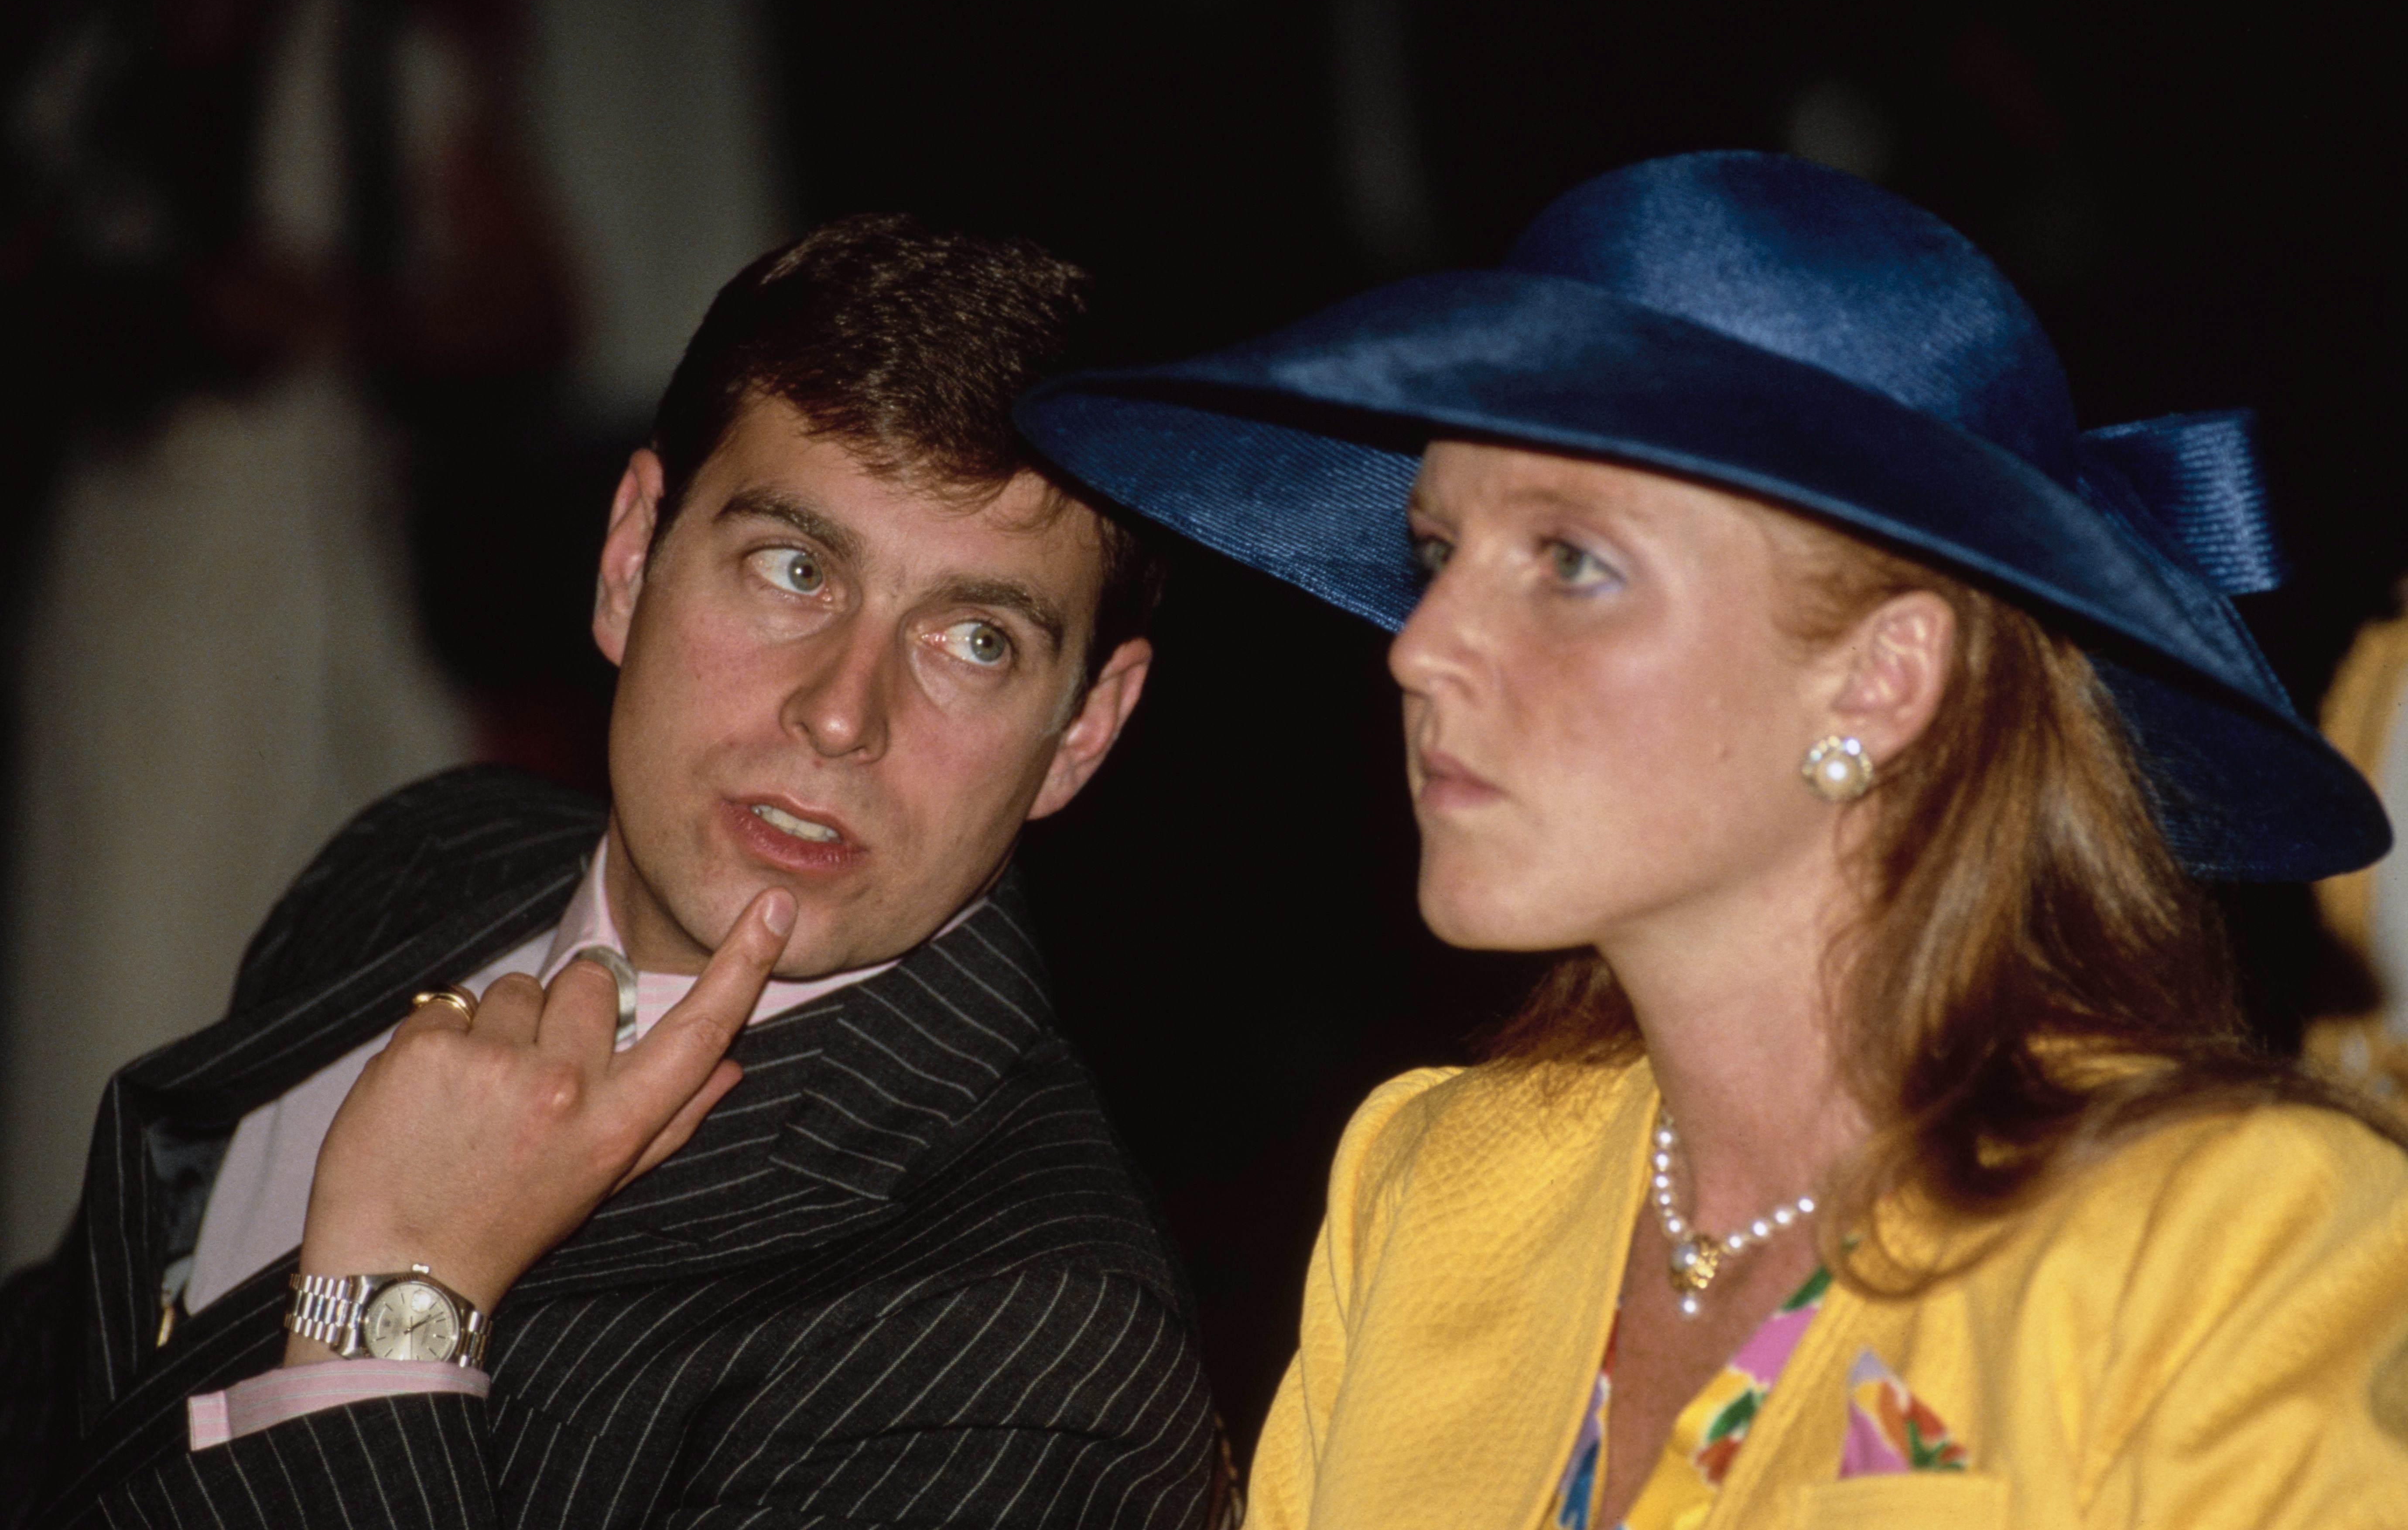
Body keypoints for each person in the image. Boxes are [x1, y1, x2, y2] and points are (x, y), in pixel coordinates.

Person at [1017, 152, 2408, 1528]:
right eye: (1440, 553)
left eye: (1573, 563)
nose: (1424, 647)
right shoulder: (1437, 1183)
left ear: (1881, 677)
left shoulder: (2233, 1244)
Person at [0, 216, 1220, 1530]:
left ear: (1082, 731)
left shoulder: (1027, 1339)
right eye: (795, 569)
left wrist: (397, 1311)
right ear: (632, 556)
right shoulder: (433, 850)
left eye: (976, 639)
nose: (840, 713)